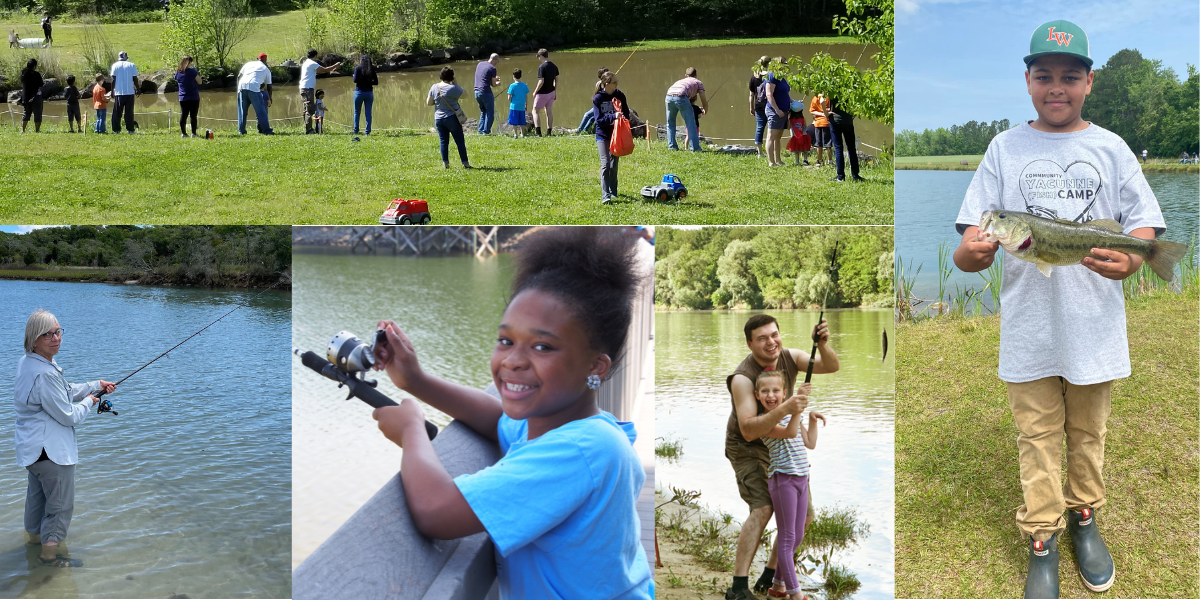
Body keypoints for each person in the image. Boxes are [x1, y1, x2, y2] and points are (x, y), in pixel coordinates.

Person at [951, 20, 1169, 599]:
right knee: (1037, 433)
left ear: (1090, 82)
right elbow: (972, 244)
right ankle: (1043, 535)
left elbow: (1142, 220)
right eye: (1044, 75)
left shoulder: (1111, 147)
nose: (1057, 87)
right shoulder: (1003, 148)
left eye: (1070, 77)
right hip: (1028, 332)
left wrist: (1138, 256)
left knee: (1088, 431)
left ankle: (1086, 516)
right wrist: (971, 251)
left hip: (1095, 329)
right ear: (1026, 81)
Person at [369, 226, 653, 600]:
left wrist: (411, 432)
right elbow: (496, 418)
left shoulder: (583, 451)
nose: (513, 361)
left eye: (542, 346)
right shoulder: (566, 428)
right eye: (506, 340)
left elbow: (436, 511)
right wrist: (415, 381)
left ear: (596, 367)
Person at [724, 314, 837, 600]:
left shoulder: (790, 356)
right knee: (763, 508)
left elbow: (832, 366)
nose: (771, 341)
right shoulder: (742, 378)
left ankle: (771, 577)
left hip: (786, 447)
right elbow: (749, 429)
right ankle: (738, 586)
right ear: (750, 343)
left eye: (774, 334)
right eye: (762, 338)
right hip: (748, 446)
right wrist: (788, 406)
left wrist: (822, 344)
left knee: (806, 516)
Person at [16, 309, 117, 567]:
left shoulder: (28, 363)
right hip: (52, 454)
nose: (56, 338)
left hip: (33, 453)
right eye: (48, 334)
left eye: (58, 331)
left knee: (37, 502)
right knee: (59, 508)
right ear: (34, 339)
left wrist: (95, 385)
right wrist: (90, 402)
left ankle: (33, 544)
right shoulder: (46, 373)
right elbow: (69, 416)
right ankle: (50, 560)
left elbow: (64, 390)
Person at [756, 370, 823, 600]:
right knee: (786, 538)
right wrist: (796, 409)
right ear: (757, 395)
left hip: (802, 479)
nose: (771, 395)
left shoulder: (795, 415)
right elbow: (789, 432)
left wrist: (811, 418)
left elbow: (809, 442)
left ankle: (777, 585)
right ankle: (795, 594)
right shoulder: (764, 422)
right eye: (765, 391)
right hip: (782, 480)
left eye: (776, 390)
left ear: (784, 393)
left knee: (797, 537)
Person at [593, 71, 630, 204]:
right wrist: (613, 117)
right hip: (602, 135)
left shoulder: (620, 95)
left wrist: (622, 121)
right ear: (607, 84)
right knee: (606, 164)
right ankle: (605, 195)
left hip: (617, 134)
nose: (617, 85)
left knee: (614, 165)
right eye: (614, 83)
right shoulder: (598, 98)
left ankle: (613, 191)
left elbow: (626, 112)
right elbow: (598, 120)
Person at [426, 67, 471, 169]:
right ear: (452, 77)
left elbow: (429, 103)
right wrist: (456, 84)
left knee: (443, 141)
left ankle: (445, 163)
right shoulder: (453, 88)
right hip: (452, 118)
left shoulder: (434, 87)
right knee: (459, 141)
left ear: (441, 76)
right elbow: (465, 95)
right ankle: (465, 163)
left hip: (438, 119)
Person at [664, 67, 708, 151]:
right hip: (681, 96)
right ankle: (695, 148)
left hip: (668, 96)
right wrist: (705, 108)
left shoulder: (680, 81)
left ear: (686, 75)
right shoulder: (698, 82)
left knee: (670, 122)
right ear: (696, 75)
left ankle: (672, 147)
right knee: (691, 123)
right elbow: (703, 99)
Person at [299, 49, 341, 134]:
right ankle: (309, 130)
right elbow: (324, 70)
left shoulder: (306, 62)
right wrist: (335, 65)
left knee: (306, 109)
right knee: (309, 109)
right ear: (315, 56)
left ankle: (309, 128)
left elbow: (319, 71)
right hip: (307, 89)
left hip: (304, 88)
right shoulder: (312, 63)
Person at [828, 96, 864, 181]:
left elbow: (821, 99)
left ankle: (840, 176)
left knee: (838, 148)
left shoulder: (831, 86)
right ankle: (855, 175)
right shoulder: (849, 87)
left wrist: (826, 114)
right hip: (848, 121)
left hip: (835, 120)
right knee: (851, 148)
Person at [236, 53, 273, 135]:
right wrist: (270, 98)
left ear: (257, 58)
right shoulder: (266, 69)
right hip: (254, 88)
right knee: (261, 111)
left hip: (242, 86)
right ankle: (267, 131)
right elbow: (269, 86)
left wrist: (239, 88)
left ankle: (241, 131)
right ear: (265, 60)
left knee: (242, 111)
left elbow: (239, 76)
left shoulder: (248, 64)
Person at [763, 59, 791, 167]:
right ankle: (771, 162)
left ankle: (778, 160)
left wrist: (793, 101)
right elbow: (769, 94)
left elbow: (785, 94)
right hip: (774, 111)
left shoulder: (781, 77)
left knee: (778, 137)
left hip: (783, 111)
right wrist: (777, 110)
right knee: (771, 136)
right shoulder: (771, 76)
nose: (785, 67)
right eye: (783, 64)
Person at [108, 51, 140, 135]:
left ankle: (116, 130)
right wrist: (138, 89)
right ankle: (130, 130)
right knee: (129, 113)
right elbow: (135, 79)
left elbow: (113, 80)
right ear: (126, 58)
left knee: (117, 112)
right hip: (129, 92)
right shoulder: (131, 65)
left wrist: (112, 91)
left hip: (119, 92)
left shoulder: (115, 65)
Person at [531, 48, 559, 136]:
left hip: (542, 93)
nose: (539, 59)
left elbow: (541, 81)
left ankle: (538, 133)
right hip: (551, 92)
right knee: (549, 112)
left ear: (541, 56)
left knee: (535, 111)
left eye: (539, 57)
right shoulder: (554, 66)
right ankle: (549, 132)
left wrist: (535, 91)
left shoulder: (542, 67)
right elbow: (556, 80)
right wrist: (555, 91)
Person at [174, 55, 201, 138]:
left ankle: (184, 133)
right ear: (189, 63)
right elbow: (200, 82)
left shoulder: (178, 72)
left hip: (183, 97)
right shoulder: (193, 71)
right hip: (193, 97)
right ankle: (193, 133)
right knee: (193, 116)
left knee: (183, 115)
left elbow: (176, 78)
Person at [576, 67, 609, 134]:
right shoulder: (600, 84)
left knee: (588, 115)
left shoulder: (607, 84)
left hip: (604, 105)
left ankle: (582, 131)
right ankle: (581, 130)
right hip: (599, 105)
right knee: (589, 116)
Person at [474, 53, 500, 135]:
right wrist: (498, 83)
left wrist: (494, 78)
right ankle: (486, 132)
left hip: (476, 91)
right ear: (495, 60)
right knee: (490, 113)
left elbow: (483, 76)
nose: (497, 63)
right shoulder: (493, 68)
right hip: (485, 92)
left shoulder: (480, 64)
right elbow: (493, 84)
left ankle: (480, 131)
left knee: (483, 112)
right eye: (497, 61)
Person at [353, 54, 379, 135]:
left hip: (359, 93)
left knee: (357, 112)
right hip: (369, 93)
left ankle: (356, 131)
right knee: (368, 113)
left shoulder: (357, 68)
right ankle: (367, 132)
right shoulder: (371, 69)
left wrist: (354, 76)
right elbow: (376, 82)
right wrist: (369, 82)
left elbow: (355, 80)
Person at [750, 56, 770, 156]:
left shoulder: (754, 76)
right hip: (770, 105)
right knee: (772, 128)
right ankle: (771, 150)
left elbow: (751, 95)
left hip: (758, 105)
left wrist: (751, 107)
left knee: (760, 127)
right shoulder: (770, 75)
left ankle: (760, 152)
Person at [19, 59, 43, 134]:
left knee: (26, 113)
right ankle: (37, 130)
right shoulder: (36, 74)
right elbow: (41, 84)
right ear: (34, 66)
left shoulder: (24, 74)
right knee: (37, 113)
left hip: (26, 97)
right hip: (36, 96)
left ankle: (23, 130)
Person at [506, 68, 529, 138]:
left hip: (514, 106)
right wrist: (526, 104)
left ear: (513, 76)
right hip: (522, 106)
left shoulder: (512, 86)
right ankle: (522, 134)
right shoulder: (524, 85)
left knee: (514, 121)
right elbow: (526, 96)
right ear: (521, 76)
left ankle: (515, 134)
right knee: (522, 121)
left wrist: (511, 100)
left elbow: (508, 98)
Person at [808, 93, 831, 166]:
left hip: (817, 123)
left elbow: (811, 111)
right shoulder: (828, 97)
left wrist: (820, 114)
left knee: (818, 143)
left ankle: (819, 161)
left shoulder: (815, 97)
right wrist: (824, 113)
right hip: (826, 122)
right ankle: (830, 161)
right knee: (828, 144)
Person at [785, 100, 810, 166]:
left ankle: (797, 162)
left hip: (795, 136)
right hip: (803, 135)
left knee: (796, 150)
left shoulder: (791, 119)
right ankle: (805, 160)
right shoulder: (803, 118)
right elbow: (806, 126)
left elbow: (788, 128)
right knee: (805, 149)